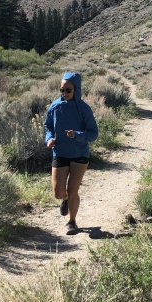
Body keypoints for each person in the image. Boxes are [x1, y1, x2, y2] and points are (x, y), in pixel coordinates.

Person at [44, 71, 98, 234]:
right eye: (62, 90)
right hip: (60, 152)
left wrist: (77, 135)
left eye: (68, 90)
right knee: (59, 192)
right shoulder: (55, 106)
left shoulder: (83, 108)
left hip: (79, 155)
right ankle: (65, 200)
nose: (64, 93)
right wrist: (49, 139)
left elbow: (93, 133)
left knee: (73, 190)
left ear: (76, 89)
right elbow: (48, 126)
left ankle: (72, 222)